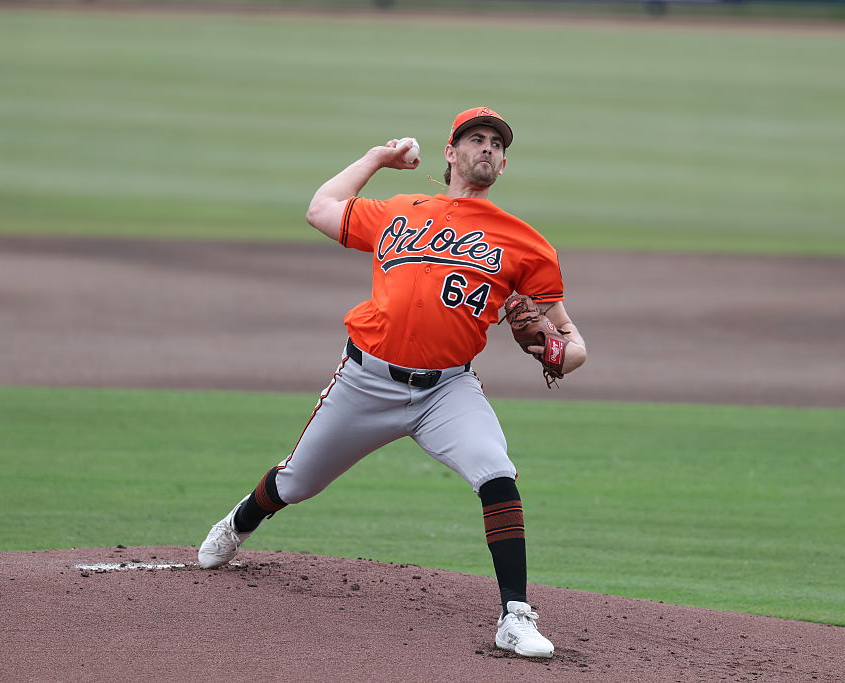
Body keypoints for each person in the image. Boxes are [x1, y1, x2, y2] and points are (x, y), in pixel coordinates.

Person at [197, 107, 587, 658]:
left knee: (496, 472)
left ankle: (515, 615)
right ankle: (239, 522)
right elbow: (320, 209)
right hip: (366, 382)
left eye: (497, 144)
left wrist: (559, 351)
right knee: (297, 483)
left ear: (504, 162)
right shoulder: (400, 211)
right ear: (450, 153)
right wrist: (377, 158)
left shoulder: (525, 243)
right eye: (476, 140)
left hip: (447, 391)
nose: (487, 150)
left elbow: (571, 341)